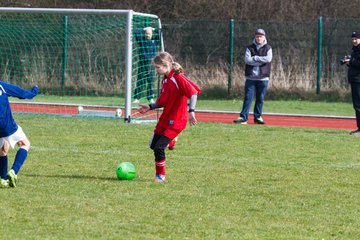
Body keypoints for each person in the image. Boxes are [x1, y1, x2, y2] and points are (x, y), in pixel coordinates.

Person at [137, 52, 201, 183]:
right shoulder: (165, 79)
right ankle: (171, 141)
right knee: (152, 145)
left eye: (157, 67)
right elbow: (162, 101)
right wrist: (150, 106)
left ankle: (160, 176)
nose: (156, 70)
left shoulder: (177, 78)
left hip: (177, 119)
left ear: (166, 65)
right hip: (166, 117)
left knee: (159, 148)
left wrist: (191, 111)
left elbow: (193, 93)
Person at [0, 81, 39, 188]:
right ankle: (13, 171)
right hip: (6, 125)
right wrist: (34, 91)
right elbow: (21, 93)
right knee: (25, 144)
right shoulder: (1, 86)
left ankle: (3, 179)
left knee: (3, 148)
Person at [233, 28, 273, 125]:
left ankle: (258, 117)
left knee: (260, 98)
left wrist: (255, 58)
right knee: (248, 98)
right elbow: (247, 60)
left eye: (261, 36)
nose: (259, 38)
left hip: (263, 78)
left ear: (264, 37)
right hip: (250, 78)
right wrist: (259, 60)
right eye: (257, 36)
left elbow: (268, 59)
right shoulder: (249, 48)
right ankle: (243, 117)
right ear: (255, 37)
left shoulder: (268, 48)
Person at [133, 26, 161, 104]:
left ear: (152, 35)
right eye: (146, 34)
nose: (148, 35)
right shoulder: (142, 41)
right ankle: (137, 98)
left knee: (151, 81)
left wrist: (154, 29)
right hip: (142, 63)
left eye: (149, 34)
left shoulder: (154, 41)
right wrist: (144, 29)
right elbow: (136, 32)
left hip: (151, 64)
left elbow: (160, 33)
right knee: (140, 81)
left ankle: (150, 98)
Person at [345, 30, 360, 135]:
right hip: (354, 80)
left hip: (358, 80)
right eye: (353, 39)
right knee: (357, 105)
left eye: (356, 38)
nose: (354, 41)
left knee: (358, 105)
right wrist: (349, 62)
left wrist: (351, 62)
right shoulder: (355, 50)